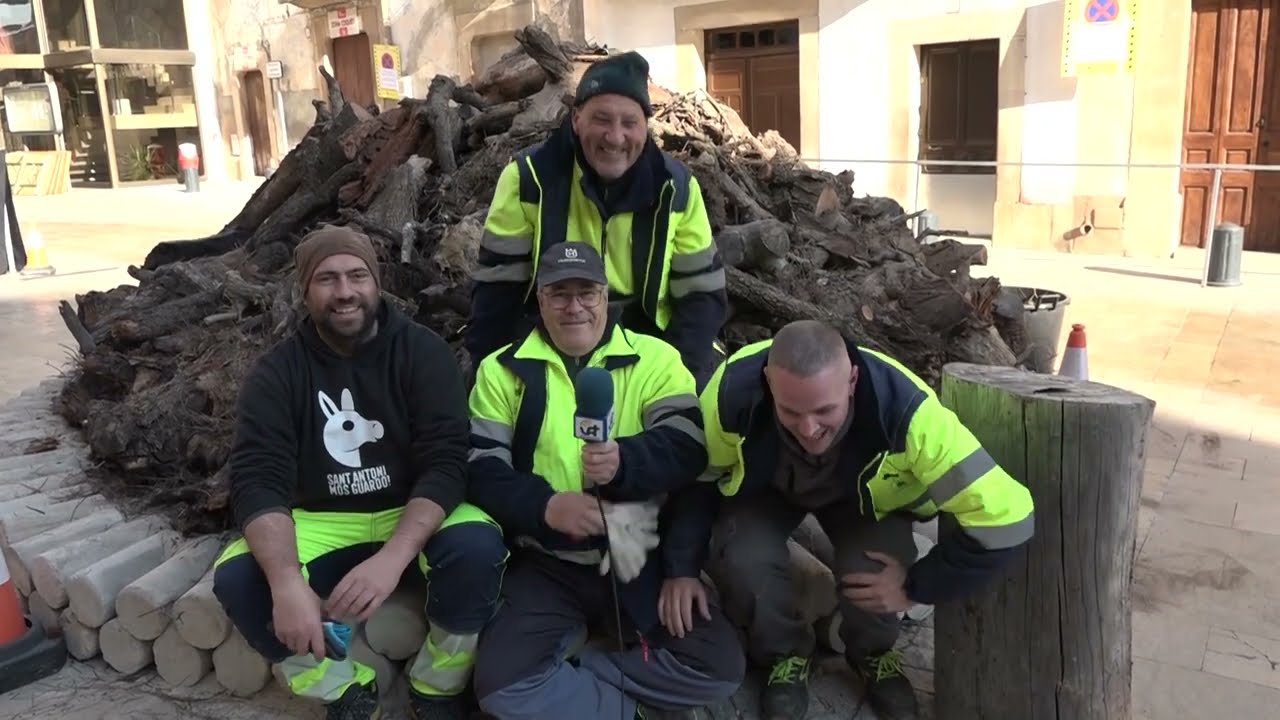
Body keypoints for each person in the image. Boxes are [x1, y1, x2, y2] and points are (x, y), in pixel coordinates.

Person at [212, 225, 510, 720]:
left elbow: (446, 461)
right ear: (304, 290)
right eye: (327, 279)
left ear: (377, 282)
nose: (345, 292)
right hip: (322, 518)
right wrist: (286, 582)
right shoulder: (278, 372)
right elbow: (256, 477)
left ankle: (438, 686)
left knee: (477, 547)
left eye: (357, 276)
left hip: (411, 504)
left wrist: (393, 559)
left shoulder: (422, 352)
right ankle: (344, 690)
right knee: (240, 576)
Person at [696, 320, 1036, 720]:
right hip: (768, 490)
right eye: (790, 411)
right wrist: (682, 568)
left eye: (825, 410)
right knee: (742, 556)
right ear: (768, 381)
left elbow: (1010, 517)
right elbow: (695, 482)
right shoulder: (730, 391)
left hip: (864, 500)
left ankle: (873, 653)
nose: (808, 429)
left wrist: (916, 586)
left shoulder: (910, 413)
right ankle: (782, 655)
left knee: (875, 568)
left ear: (852, 380)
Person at [466, 241, 744, 719]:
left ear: (605, 297)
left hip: (638, 557)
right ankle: (622, 710)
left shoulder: (655, 359)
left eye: (586, 292)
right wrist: (544, 506)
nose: (574, 306)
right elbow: (480, 470)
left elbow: (687, 448)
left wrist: (625, 462)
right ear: (540, 301)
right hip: (547, 561)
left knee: (720, 669)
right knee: (499, 689)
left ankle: (584, 663)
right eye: (559, 293)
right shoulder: (500, 371)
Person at [465, 50, 728, 388]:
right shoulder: (529, 179)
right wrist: (491, 377)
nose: (616, 137)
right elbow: (498, 291)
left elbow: (701, 296)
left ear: (645, 127)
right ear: (576, 119)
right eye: (602, 119)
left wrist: (679, 375)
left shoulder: (676, 188)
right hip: (554, 337)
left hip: (650, 340)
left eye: (629, 123)